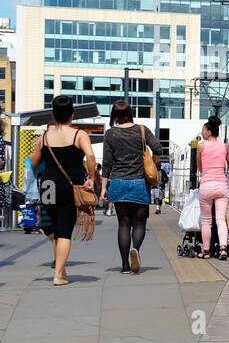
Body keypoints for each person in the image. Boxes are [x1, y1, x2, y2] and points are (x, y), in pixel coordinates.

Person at [30, 95, 96, 285]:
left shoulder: (44, 137)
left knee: (50, 226)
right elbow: (90, 157)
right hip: (70, 187)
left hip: (48, 186)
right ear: (72, 116)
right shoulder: (79, 135)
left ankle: (61, 266)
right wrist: (91, 179)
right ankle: (58, 275)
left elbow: (34, 162)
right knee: (64, 229)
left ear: (53, 115)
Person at [101, 99, 163, 275]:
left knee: (123, 224)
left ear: (115, 115)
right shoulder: (141, 130)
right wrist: (152, 163)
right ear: (130, 112)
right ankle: (135, 249)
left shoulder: (110, 134)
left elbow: (107, 164)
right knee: (139, 223)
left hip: (119, 183)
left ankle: (124, 266)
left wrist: (104, 188)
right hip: (139, 183)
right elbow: (158, 148)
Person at [197, 115, 229, 260]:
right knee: (220, 219)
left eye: (203, 131)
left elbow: (200, 167)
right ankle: (223, 249)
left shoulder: (201, 146)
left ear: (208, 132)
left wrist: (206, 172)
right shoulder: (225, 146)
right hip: (221, 185)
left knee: (206, 220)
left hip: (206, 185)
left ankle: (206, 251)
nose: (202, 133)